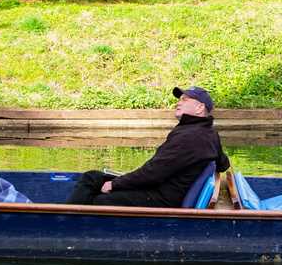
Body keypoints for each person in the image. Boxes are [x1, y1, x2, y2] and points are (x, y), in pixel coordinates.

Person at [67, 86, 231, 207]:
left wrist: (115, 184)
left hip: (161, 197)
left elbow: (153, 173)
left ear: (199, 107)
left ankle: (67, 223)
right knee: (93, 177)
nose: (178, 103)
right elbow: (223, 163)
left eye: (185, 100)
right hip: (162, 189)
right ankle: (73, 214)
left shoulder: (190, 136)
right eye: (179, 99)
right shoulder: (208, 132)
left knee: (100, 200)